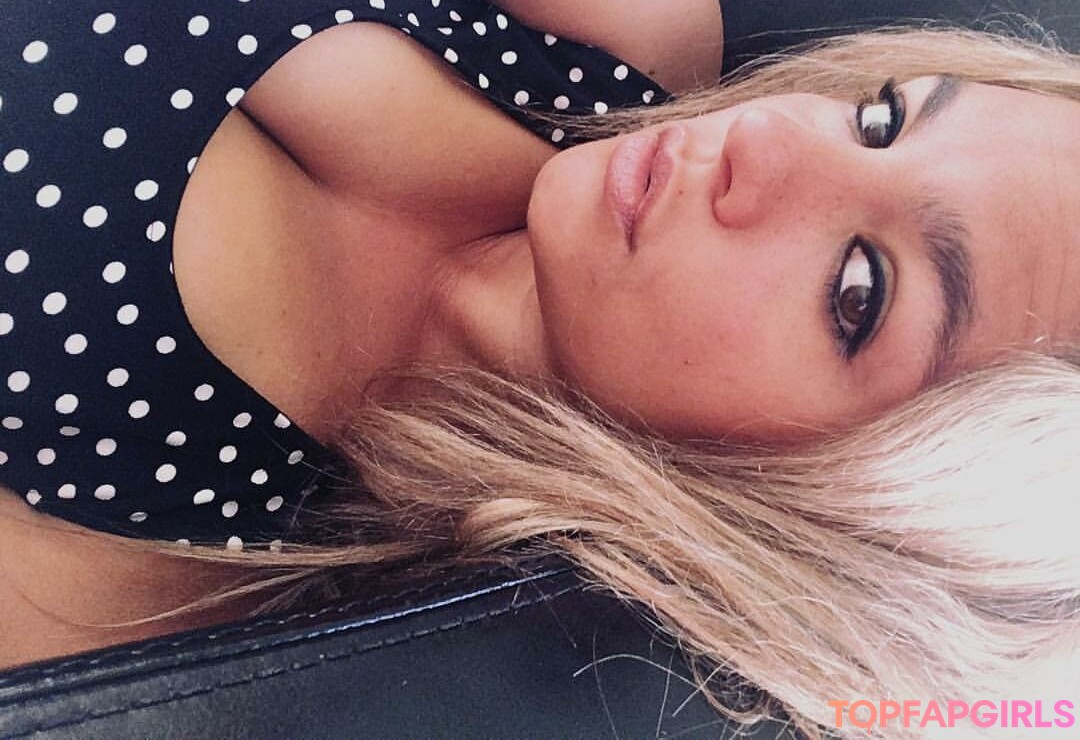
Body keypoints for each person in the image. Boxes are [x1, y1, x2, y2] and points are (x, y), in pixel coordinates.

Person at [3, 1, 1080, 737]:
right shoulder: (631, 36)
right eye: (882, 118)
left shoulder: (148, 565)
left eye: (857, 290)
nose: (766, 133)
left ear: (833, 526)